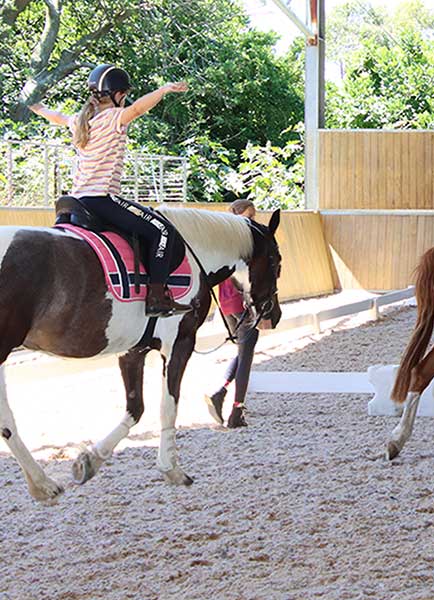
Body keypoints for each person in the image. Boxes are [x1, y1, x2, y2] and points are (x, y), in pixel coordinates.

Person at [30, 64, 191, 317]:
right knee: (162, 231)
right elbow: (138, 108)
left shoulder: (81, 121)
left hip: (76, 200)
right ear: (117, 95)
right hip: (102, 198)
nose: (125, 99)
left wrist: (34, 105)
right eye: (124, 94)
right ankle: (157, 297)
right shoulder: (114, 118)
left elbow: (55, 116)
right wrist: (164, 89)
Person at [204, 200, 262, 429]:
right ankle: (235, 406)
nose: (252, 220)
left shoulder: (224, 239)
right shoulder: (240, 241)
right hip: (239, 301)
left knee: (244, 347)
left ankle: (222, 391)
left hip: (227, 302)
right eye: (249, 216)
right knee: (247, 349)